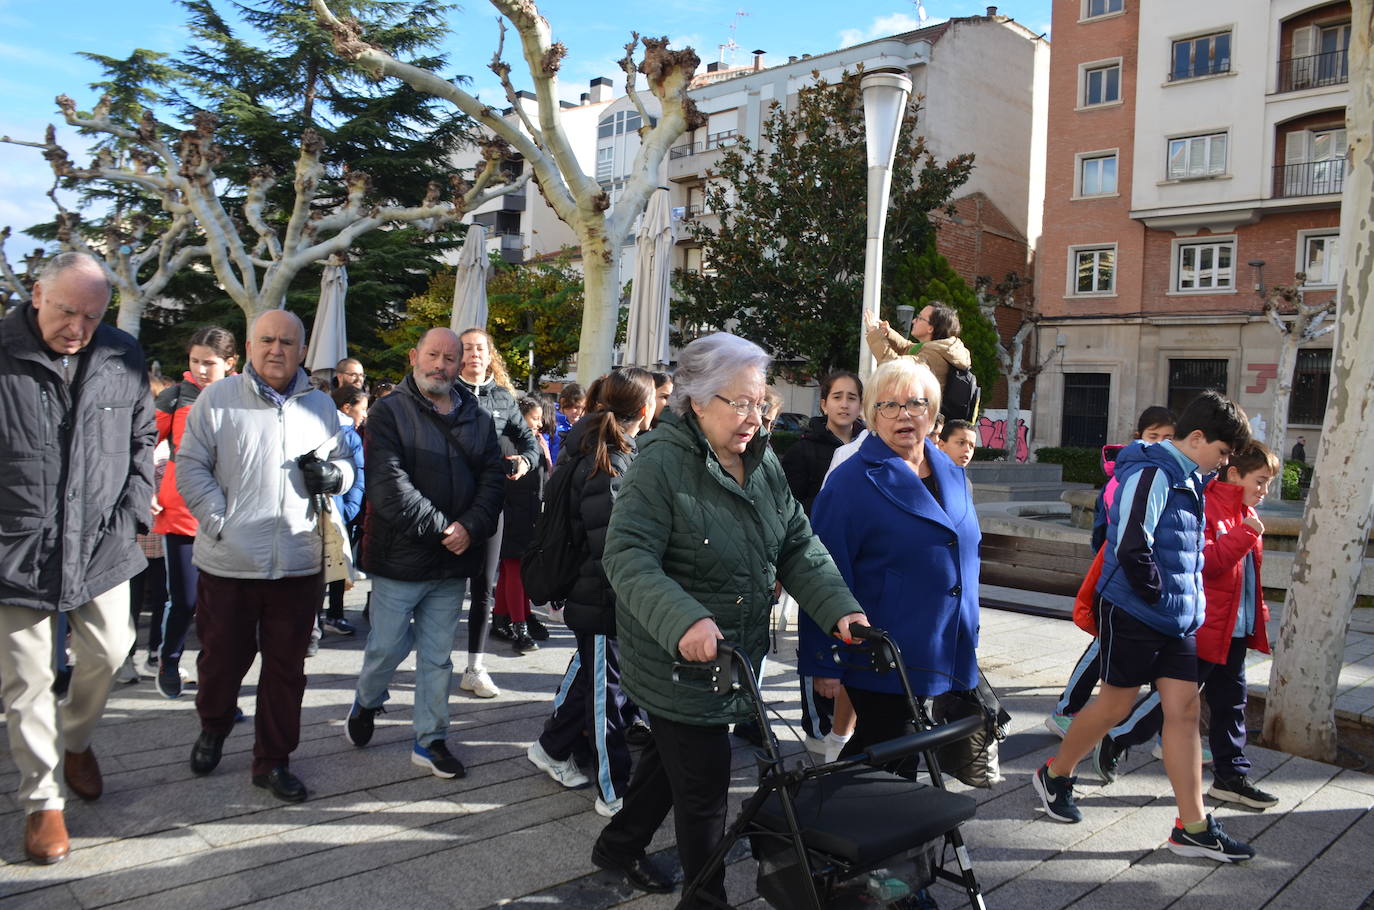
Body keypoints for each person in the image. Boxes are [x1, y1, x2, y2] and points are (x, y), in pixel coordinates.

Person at [591, 333, 866, 904]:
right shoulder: (660, 465)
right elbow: (627, 556)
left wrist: (841, 610)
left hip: (733, 654)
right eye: (737, 402)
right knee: (704, 789)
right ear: (695, 400)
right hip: (679, 658)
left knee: (674, 767)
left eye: (760, 402)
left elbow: (798, 545)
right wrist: (685, 620)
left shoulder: (760, 462)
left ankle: (619, 844)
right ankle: (705, 899)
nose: (752, 416)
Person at [1031, 391, 1257, 864]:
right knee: (1114, 706)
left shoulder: (1190, 477)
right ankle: (1056, 774)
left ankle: (1192, 826)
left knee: (1184, 713)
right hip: (1136, 611)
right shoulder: (1152, 471)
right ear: (1197, 439)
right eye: (1221, 452)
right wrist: (1155, 595)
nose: (1224, 464)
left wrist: (1179, 604)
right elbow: (1132, 543)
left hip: (1175, 617)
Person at [0, 252, 154, 864]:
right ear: (37, 293)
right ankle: (44, 803)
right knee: (27, 679)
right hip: (16, 546)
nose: (79, 329)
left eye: (92, 316)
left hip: (102, 542)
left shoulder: (122, 354)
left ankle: (75, 738)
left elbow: (143, 439)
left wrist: (133, 513)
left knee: (112, 650)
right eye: (68, 311)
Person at [175, 309, 354, 804]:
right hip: (230, 563)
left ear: (302, 350)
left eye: (287, 342)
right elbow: (190, 467)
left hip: (298, 563)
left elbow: (348, 461)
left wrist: (337, 477)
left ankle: (272, 760)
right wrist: (221, 523)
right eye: (267, 340)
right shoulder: (217, 399)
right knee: (220, 663)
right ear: (250, 347)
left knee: (285, 671)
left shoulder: (321, 405)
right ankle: (214, 724)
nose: (277, 349)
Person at [802, 359, 982, 782]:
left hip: (941, 641)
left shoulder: (951, 473)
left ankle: (833, 825)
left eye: (916, 404)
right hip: (882, 650)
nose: (904, 415)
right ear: (871, 414)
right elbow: (823, 571)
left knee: (892, 752)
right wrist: (824, 662)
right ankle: (846, 830)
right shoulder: (851, 481)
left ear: (933, 413)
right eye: (889, 405)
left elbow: (963, 549)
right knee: (894, 753)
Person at [344, 328, 505, 778]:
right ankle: (367, 700)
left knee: (438, 656)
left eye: (449, 358)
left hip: (454, 560)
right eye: (433, 355)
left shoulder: (476, 416)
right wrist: (443, 530)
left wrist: (470, 528)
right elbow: (389, 486)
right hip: (402, 558)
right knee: (386, 648)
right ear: (415, 356)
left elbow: (493, 479)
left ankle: (430, 740)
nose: (441, 365)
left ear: (461, 365)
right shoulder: (389, 411)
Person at [526, 367, 657, 817]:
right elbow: (611, 548)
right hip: (603, 596)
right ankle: (611, 788)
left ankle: (550, 747)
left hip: (599, 594)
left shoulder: (605, 447)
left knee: (593, 675)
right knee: (607, 694)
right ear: (645, 409)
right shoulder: (609, 458)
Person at [1046, 406, 1175, 740]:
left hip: (1148, 577)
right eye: (1153, 437)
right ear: (1139, 438)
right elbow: (1122, 531)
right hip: (1120, 575)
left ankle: (1170, 730)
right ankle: (1067, 709)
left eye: (1167, 438)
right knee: (1103, 643)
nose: (1160, 444)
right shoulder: (1131, 475)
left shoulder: (1168, 474)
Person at [780, 370, 864, 761]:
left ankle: (844, 719)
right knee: (816, 639)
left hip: (857, 555)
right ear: (824, 403)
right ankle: (815, 723)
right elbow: (786, 508)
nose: (845, 404)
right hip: (813, 557)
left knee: (852, 635)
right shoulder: (804, 450)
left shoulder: (869, 445)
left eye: (852, 397)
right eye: (838, 397)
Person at [151, 327, 239, 698]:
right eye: (195, 362)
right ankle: (168, 659)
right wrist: (143, 490)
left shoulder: (246, 395)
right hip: (180, 514)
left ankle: (214, 687)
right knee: (185, 600)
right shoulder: (174, 397)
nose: (201, 370)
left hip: (231, 518)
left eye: (210, 363)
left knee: (219, 610)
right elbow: (138, 444)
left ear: (231, 363)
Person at [453, 328, 540, 698]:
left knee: (484, 587)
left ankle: (475, 666)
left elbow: (530, 441)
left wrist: (524, 459)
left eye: (481, 349)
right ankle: (434, 660)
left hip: (492, 503)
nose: (475, 354)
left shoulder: (504, 397)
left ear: (491, 356)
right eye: (468, 348)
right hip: (449, 503)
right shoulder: (444, 392)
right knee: (442, 587)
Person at [1197, 441, 1279, 809]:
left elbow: (1244, 576)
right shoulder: (1209, 505)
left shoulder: (1246, 513)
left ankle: (1230, 777)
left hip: (1234, 630)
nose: (1265, 490)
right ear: (1235, 474)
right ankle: (1111, 738)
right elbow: (1209, 563)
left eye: (1268, 483)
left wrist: (1256, 609)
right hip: (1207, 629)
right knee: (1166, 705)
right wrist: (1246, 533)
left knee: (1231, 703)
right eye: (1260, 481)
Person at [122, 372, 174, 684]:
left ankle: (156, 654)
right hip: (136, 533)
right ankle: (127, 657)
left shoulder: (168, 439)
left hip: (163, 532)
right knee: (133, 598)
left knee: (162, 597)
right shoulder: (136, 438)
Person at [491, 395, 552, 652]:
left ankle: (502, 617)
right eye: (534, 418)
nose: (539, 424)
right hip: (511, 514)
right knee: (516, 569)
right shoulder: (506, 441)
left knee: (510, 570)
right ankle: (519, 627)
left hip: (529, 512)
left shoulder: (535, 441)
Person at [315, 384, 368, 645]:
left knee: (324, 568)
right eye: (363, 409)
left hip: (331, 509)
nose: (365, 415)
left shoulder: (323, 429)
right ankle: (333, 615)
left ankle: (317, 620)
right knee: (335, 566)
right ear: (347, 407)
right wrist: (350, 509)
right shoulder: (347, 435)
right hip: (341, 511)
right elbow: (357, 475)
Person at [864, 301, 971, 389]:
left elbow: (894, 367)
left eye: (920, 318)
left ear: (931, 328)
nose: (914, 321)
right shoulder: (936, 348)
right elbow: (907, 347)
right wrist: (888, 333)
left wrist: (874, 333)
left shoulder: (933, 356)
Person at [550, 381, 585, 464]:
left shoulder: (582, 425)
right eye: (576, 407)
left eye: (583, 408)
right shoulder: (551, 422)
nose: (579, 412)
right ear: (563, 403)